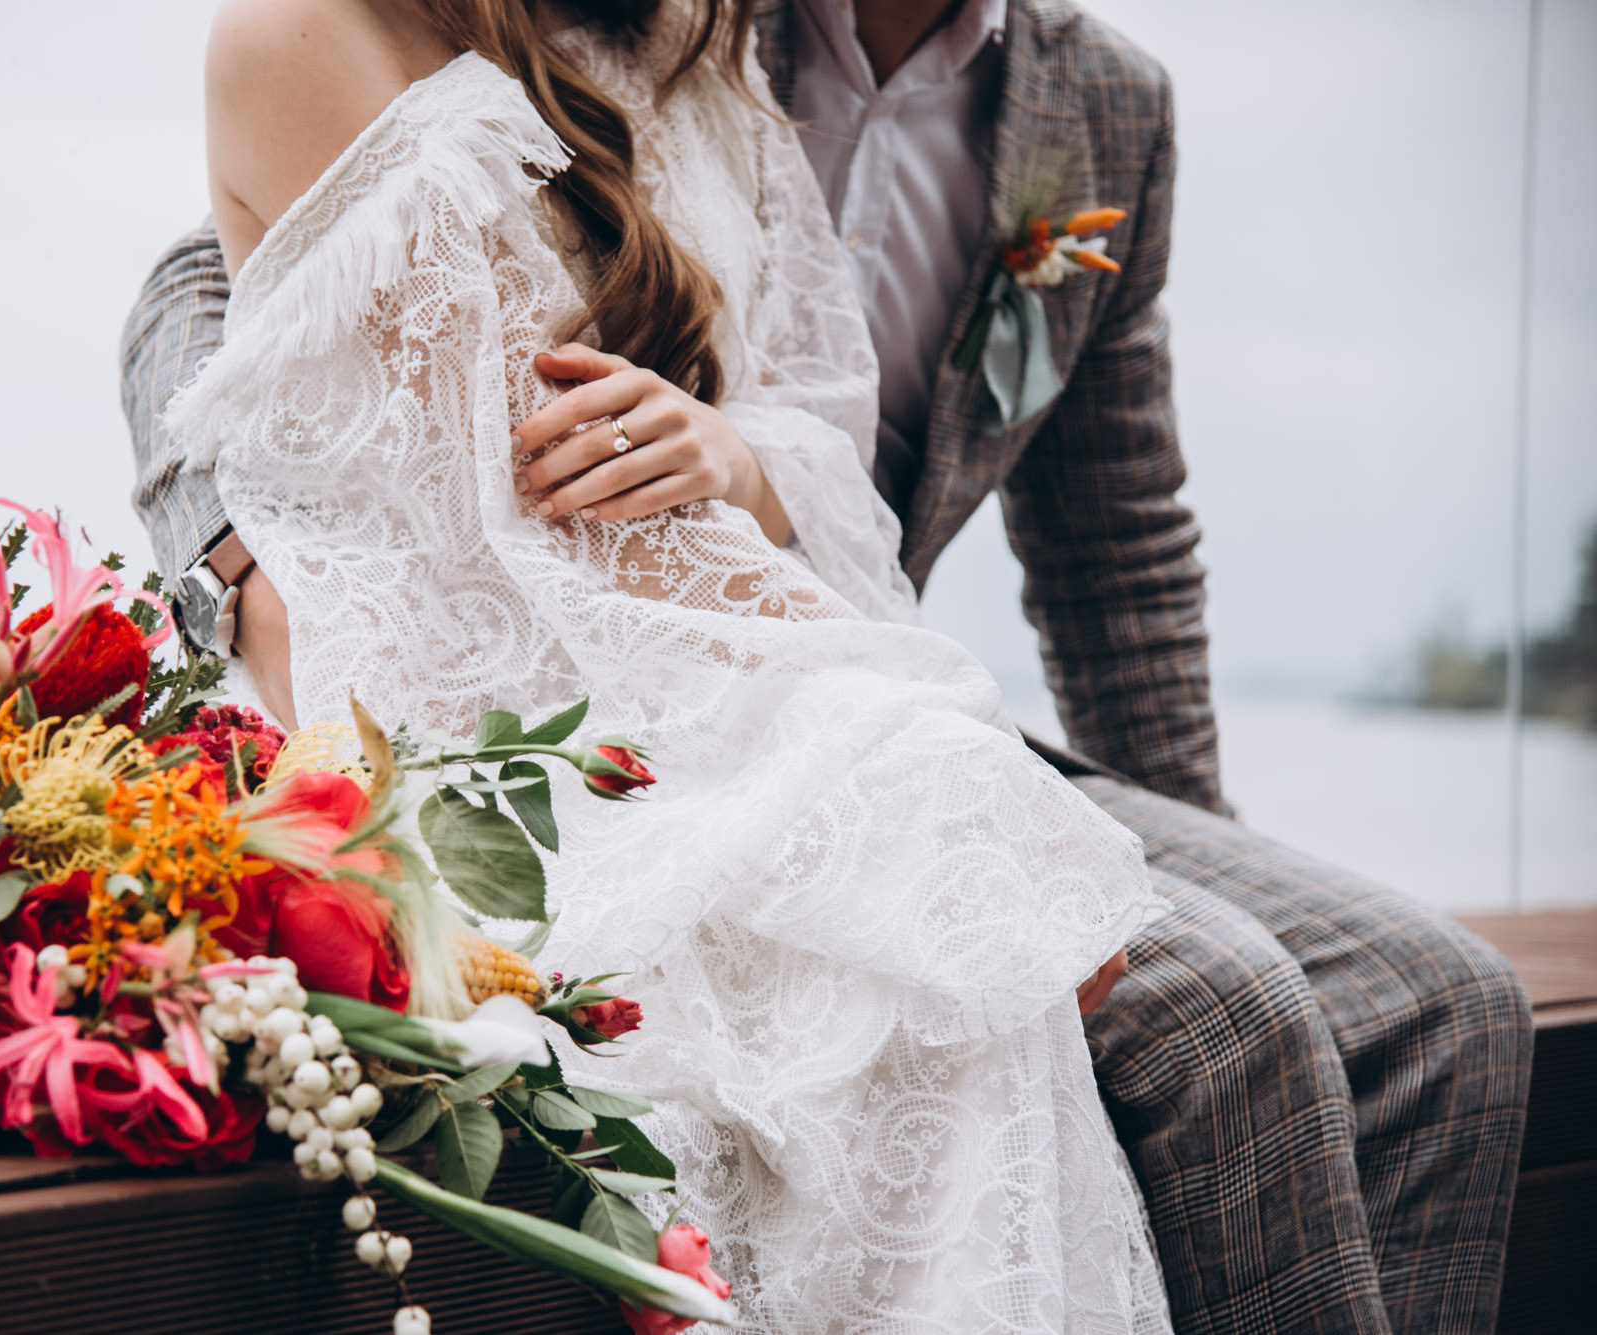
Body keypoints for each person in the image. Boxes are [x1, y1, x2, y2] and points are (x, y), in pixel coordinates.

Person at [122, 2, 1531, 1332]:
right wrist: (243, 570)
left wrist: (1165, 839)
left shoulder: (1096, 105)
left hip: (864, 672)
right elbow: (229, 280)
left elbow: (1117, 544)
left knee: (1450, 1008)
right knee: (1226, 1017)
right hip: (648, 717)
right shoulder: (655, 20)